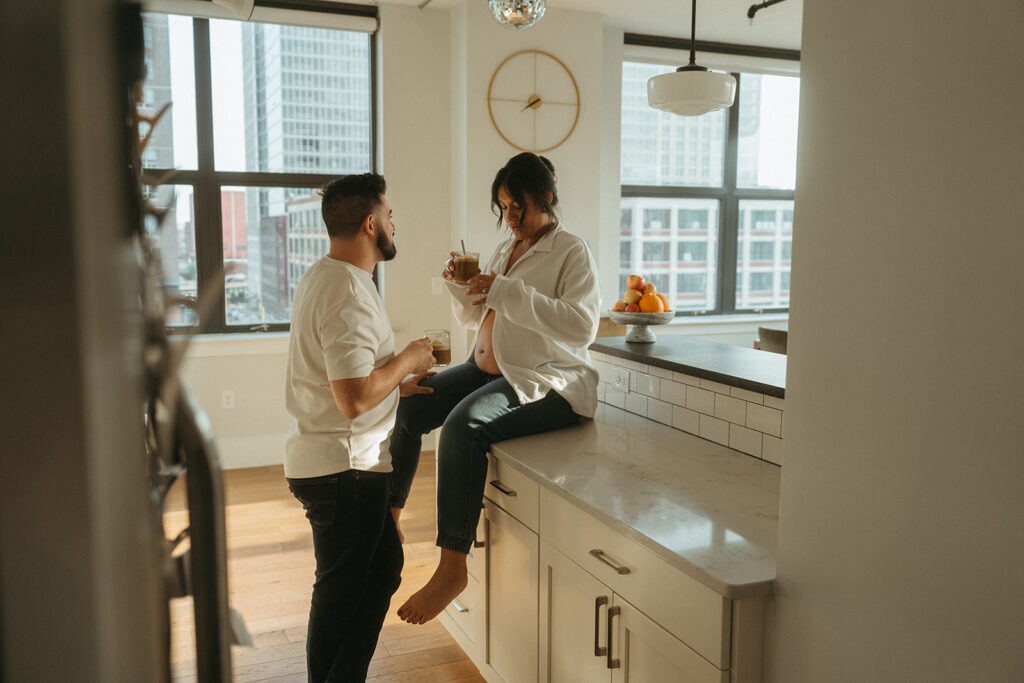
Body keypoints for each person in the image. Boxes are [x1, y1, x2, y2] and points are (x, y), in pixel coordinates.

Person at [389, 153, 601, 625]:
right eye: (504, 208)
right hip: (488, 369)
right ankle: (392, 522)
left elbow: (582, 327)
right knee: (413, 403)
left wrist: (505, 291)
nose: (511, 218)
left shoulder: (571, 250)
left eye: (518, 207)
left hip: (545, 380)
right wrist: (461, 289)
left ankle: (451, 569)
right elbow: (479, 316)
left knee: (464, 427)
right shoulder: (510, 248)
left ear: (546, 197)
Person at [283, 173, 436, 682]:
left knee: (381, 570)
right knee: (341, 592)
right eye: (390, 216)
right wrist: (411, 360)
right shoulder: (347, 291)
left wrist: (397, 384)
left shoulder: (327, 276)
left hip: (342, 464)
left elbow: (351, 380)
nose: (394, 224)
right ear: (371, 224)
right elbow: (351, 399)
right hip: (344, 470)